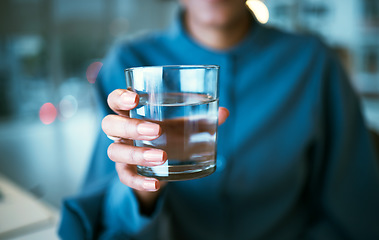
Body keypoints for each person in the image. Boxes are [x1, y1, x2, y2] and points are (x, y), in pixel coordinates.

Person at [59, 0, 379, 239]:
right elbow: (105, 219)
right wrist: (142, 188)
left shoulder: (314, 62)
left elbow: (356, 206)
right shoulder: (128, 63)